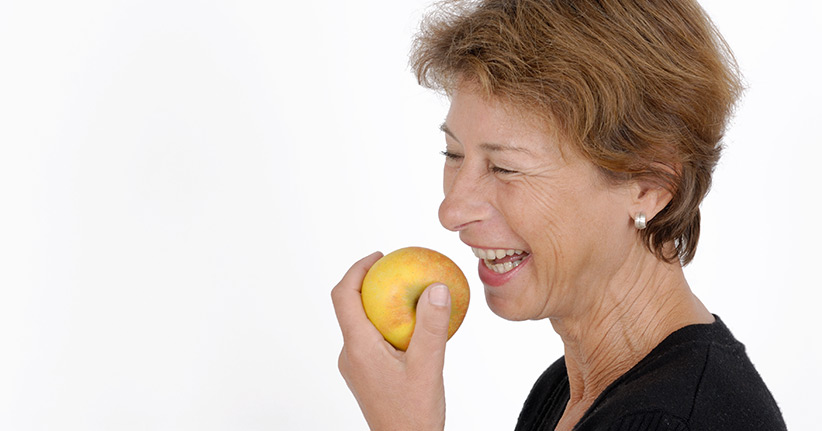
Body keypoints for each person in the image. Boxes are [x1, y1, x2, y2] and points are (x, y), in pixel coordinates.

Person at [331, 0, 787, 429]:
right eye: (453, 154)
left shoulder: (676, 420)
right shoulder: (567, 391)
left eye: (504, 167)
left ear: (650, 186)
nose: (451, 211)